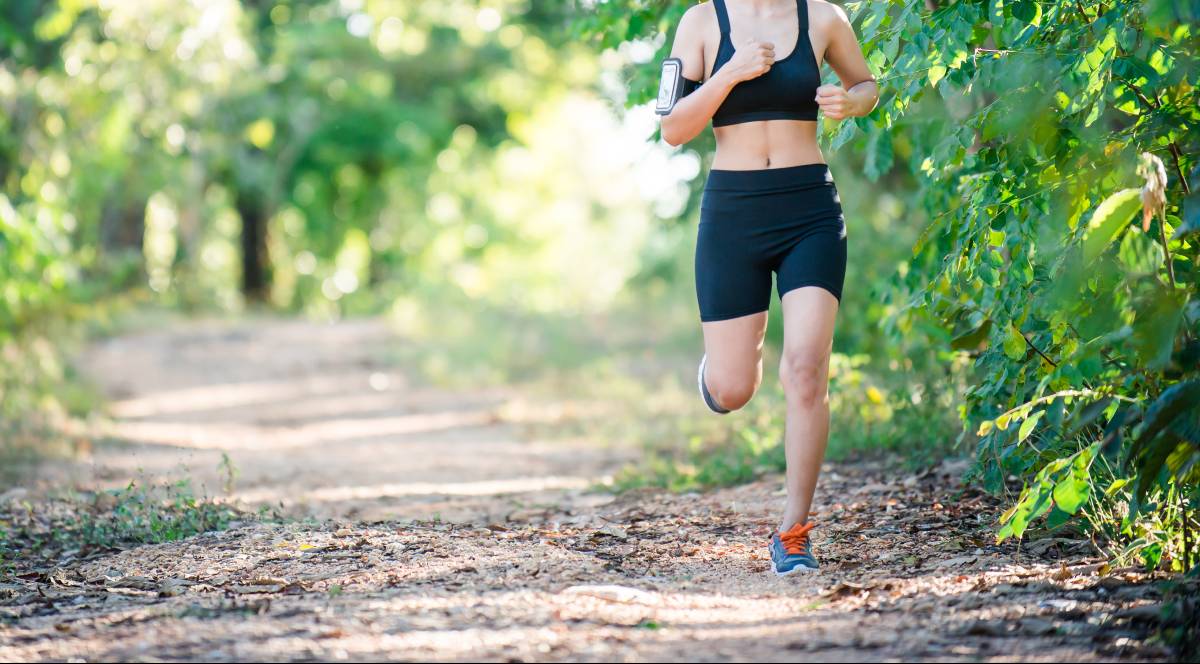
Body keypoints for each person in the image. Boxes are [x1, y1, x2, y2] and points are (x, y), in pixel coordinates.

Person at [655, 0, 877, 576]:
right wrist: (729, 74)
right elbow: (673, 129)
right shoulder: (702, 23)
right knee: (734, 389)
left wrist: (849, 103)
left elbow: (867, 84)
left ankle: (794, 531)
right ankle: (716, 373)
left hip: (810, 211)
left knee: (806, 367)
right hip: (733, 212)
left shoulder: (823, 18)